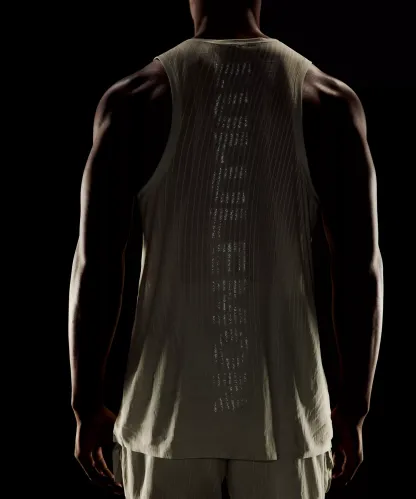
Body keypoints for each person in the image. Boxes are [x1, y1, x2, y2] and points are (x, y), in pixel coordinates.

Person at [68, 0, 384, 497]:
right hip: (287, 418)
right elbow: (360, 269)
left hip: (164, 417)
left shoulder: (135, 99)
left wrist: (86, 404)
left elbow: (97, 265)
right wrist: (354, 407)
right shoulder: (326, 99)